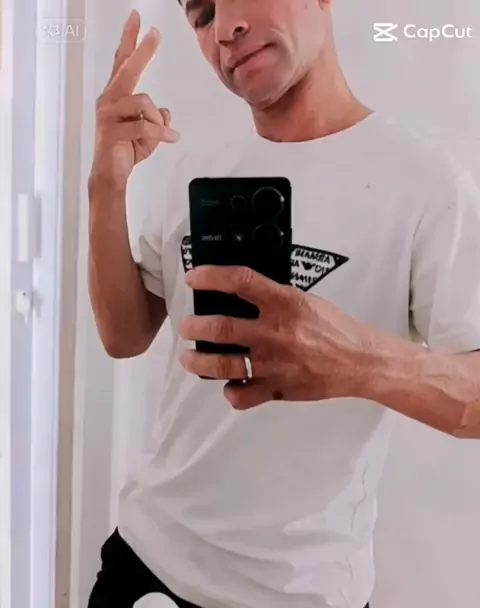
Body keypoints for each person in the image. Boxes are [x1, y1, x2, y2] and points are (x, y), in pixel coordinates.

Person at [87, 2, 480, 607]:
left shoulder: (427, 185)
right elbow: (124, 334)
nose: (225, 30)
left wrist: (361, 362)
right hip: (147, 560)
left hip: (302, 592)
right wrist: (105, 186)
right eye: (202, 15)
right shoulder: (195, 170)